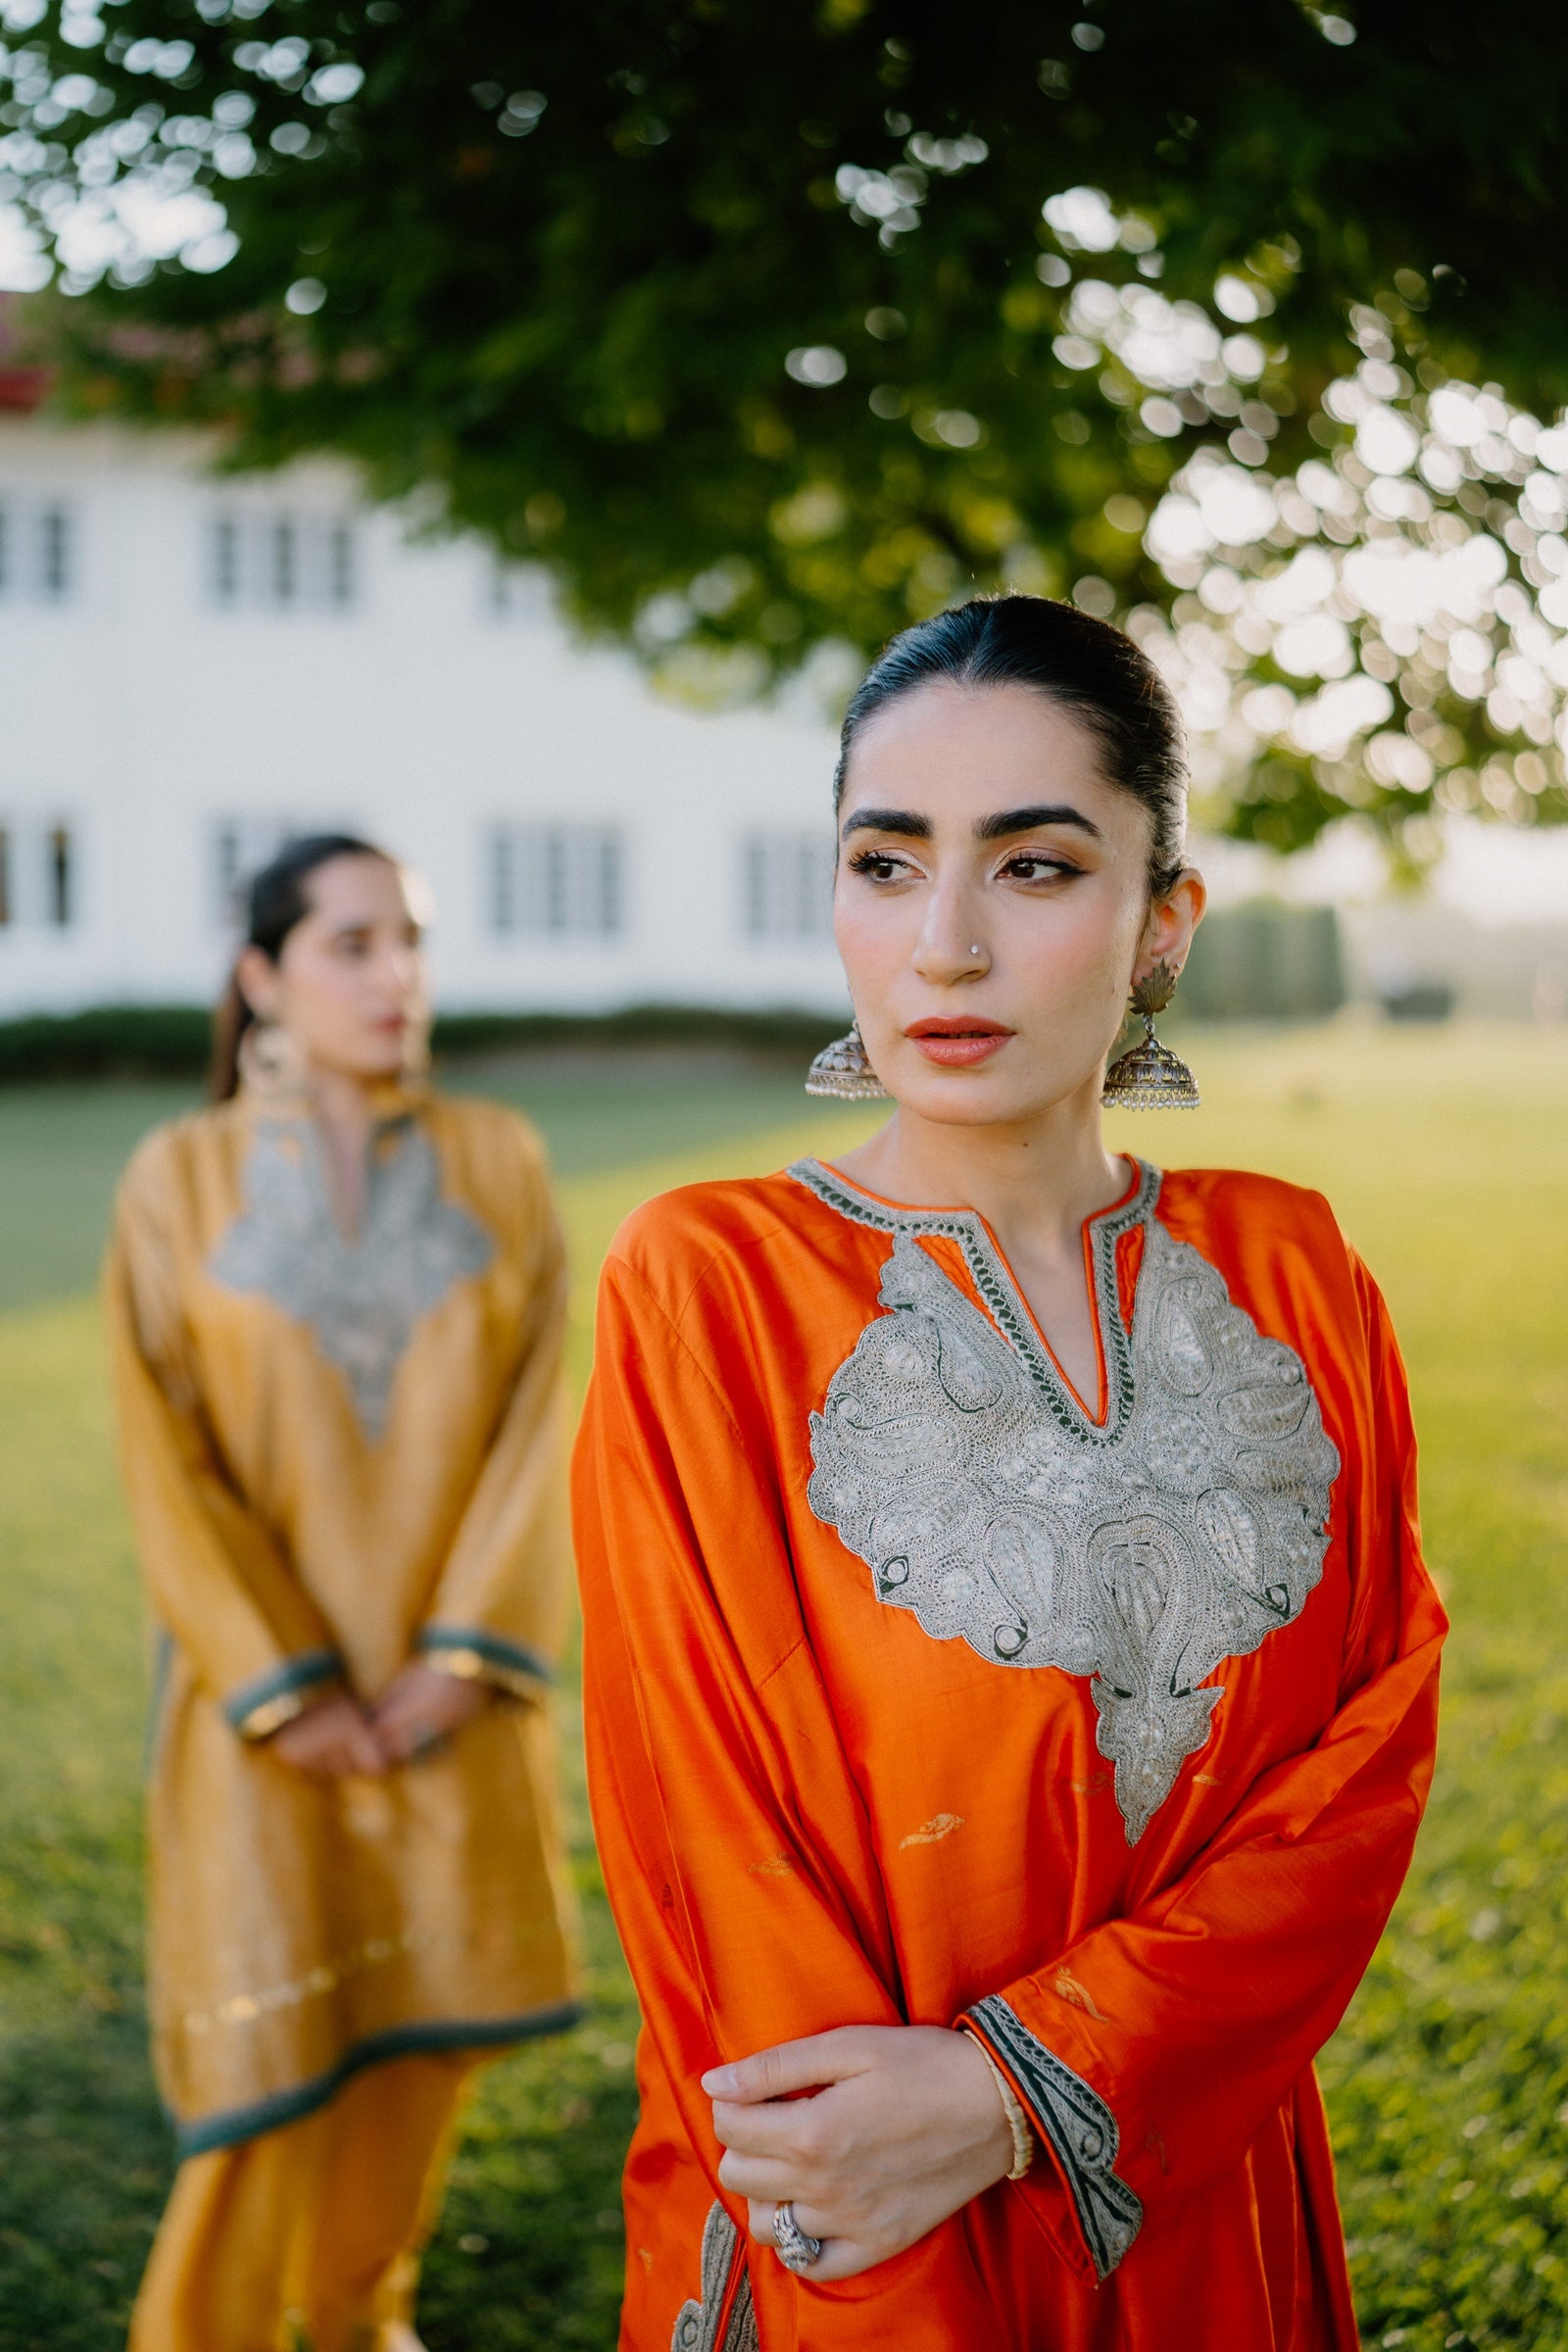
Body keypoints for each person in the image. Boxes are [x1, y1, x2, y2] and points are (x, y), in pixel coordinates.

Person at [572, 598, 1446, 2350]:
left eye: (1034, 868)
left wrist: (1018, 2091)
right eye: (885, 866)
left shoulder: (1297, 1275)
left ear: (1162, 923)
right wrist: (887, 2195)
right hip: (859, 2232)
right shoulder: (709, 1289)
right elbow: (710, 1844)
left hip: (1200, 2200)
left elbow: (1367, 1766)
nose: (945, 945)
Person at [108, 834, 580, 2352]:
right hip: (263, 1721)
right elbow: (165, 1459)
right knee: (270, 2054)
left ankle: (366, 2316)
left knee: (420, 2045)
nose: (399, 976)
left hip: (453, 1697)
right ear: (263, 976)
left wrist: (461, 1659)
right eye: (355, 944)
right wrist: (287, 1689)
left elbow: (541, 1427)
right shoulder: (178, 1180)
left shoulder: (501, 1158)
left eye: (413, 942)